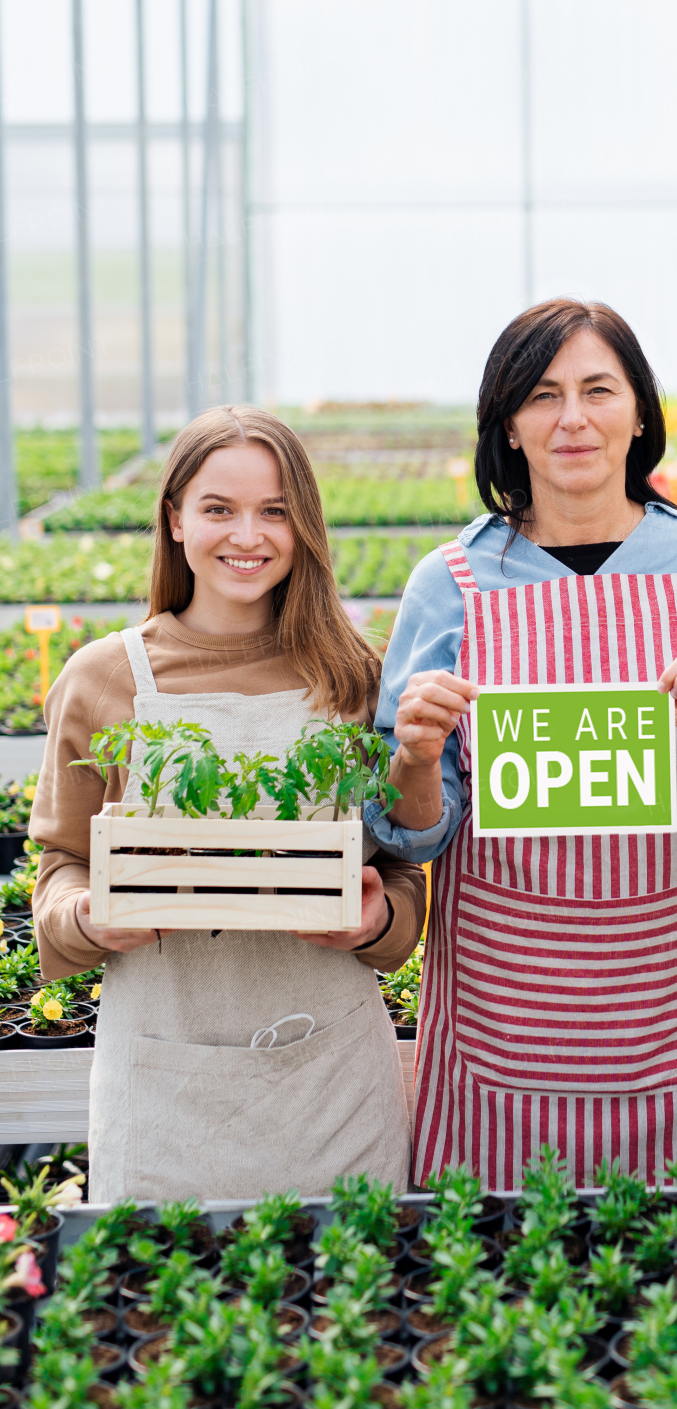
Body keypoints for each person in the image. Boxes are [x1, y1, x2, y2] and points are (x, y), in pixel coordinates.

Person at [365, 299, 677, 1187]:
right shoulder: (448, 583)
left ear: (639, 412)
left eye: (597, 389)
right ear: (510, 426)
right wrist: (414, 758)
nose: (572, 418)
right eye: (542, 394)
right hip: (505, 1028)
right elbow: (412, 831)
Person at [31, 406, 426, 1202]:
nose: (248, 534)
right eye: (219, 508)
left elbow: (406, 871)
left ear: (303, 525)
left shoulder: (358, 677)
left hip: (333, 1086)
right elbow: (60, 870)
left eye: (274, 510)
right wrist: (89, 918)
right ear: (175, 518)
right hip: (160, 1086)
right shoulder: (103, 679)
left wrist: (381, 921)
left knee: (341, 1316)